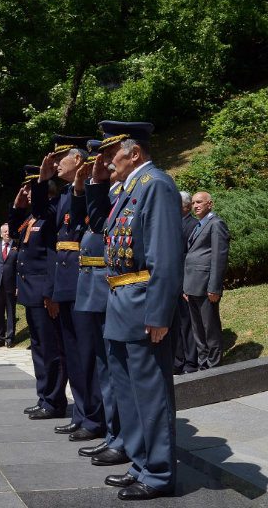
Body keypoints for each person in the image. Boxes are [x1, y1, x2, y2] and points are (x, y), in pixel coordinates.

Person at [92, 120, 183, 501]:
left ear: (135, 153)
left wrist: (159, 314)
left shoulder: (156, 185)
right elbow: (102, 229)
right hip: (120, 304)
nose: (108, 161)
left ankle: (160, 474)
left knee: (151, 394)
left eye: (113, 154)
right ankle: (141, 462)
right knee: (128, 394)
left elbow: (165, 254)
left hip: (143, 303)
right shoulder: (130, 189)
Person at [36, 134, 105, 442]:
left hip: (84, 278)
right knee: (72, 355)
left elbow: (85, 222)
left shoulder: (95, 188)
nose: (55, 162)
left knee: (87, 354)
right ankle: (82, 412)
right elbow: (43, 218)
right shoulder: (65, 192)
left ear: (77, 159)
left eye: (59, 158)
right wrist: (42, 181)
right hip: (67, 280)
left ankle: (94, 416)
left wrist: (81, 189)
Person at [74, 139, 129, 465]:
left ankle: (122, 438)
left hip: (117, 288)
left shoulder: (136, 191)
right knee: (106, 368)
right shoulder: (112, 191)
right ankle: (114, 435)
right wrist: (90, 184)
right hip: (102, 289)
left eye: (109, 155)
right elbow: (94, 222)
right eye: (102, 157)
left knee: (116, 369)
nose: (105, 163)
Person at [10, 165, 68, 420]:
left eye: (31, 188)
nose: (27, 193)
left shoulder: (51, 214)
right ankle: (44, 396)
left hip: (43, 292)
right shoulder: (31, 216)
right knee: (38, 348)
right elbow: (14, 233)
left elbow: (54, 256)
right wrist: (17, 206)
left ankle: (54, 400)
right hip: (29, 291)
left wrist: (50, 293)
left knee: (51, 349)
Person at [183, 191, 231, 370]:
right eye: (194, 202)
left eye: (200, 202)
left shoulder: (216, 224)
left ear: (210, 204)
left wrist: (214, 288)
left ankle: (214, 365)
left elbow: (219, 258)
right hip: (192, 285)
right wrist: (186, 287)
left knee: (210, 328)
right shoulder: (199, 225)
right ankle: (203, 364)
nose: (196, 205)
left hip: (206, 286)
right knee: (198, 330)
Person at [174, 190, 199, 374]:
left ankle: (190, 361)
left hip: (184, 281)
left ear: (186, 207)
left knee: (187, 323)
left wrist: (186, 284)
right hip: (173, 282)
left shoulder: (192, 225)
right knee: (177, 323)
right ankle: (178, 359)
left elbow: (188, 258)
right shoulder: (174, 224)